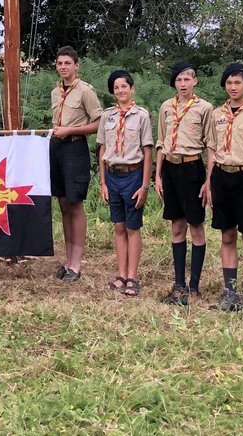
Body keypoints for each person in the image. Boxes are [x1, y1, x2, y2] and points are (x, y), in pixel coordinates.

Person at [202, 62, 243, 311]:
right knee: (227, 234)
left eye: (238, 82)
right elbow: (211, 148)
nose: (233, 87)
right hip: (221, 176)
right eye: (229, 83)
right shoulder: (216, 114)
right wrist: (209, 182)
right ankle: (229, 291)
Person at [154, 60, 216, 306]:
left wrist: (208, 180)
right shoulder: (166, 107)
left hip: (192, 168)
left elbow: (211, 146)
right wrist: (157, 175)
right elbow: (161, 141)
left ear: (195, 81)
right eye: (179, 80)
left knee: (196, 225)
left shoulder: (205, 108)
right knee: (176, 226)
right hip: (169, 167)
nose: (183, 84)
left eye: (187, 79)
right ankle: (178, 284)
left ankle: (195, 286)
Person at [96, 70, 153, 298]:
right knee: (118, 226)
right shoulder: (106, 116)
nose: (120, 90)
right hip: (112, 175)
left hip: (133, 175)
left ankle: (132, 276)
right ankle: (121, 274)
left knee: (132, 227)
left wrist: (145, 185)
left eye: (124, 86)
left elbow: (148, 151)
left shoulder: (142, 116)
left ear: (132, 89)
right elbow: (102, 149)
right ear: (113, 92)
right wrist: (102, 181)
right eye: (116, 87)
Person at [49, 46, 103, 282]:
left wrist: (71, 130)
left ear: (76, 65)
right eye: (60, 63)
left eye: (67, 63)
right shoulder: (55, 92)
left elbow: (99, 123)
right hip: (57, 148)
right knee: (62, 203)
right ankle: (67, 259)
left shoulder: (85, 91)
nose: (63, 67)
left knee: (75, 203)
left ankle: (76, 264)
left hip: (75, 147)